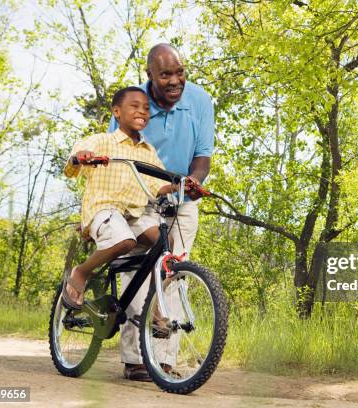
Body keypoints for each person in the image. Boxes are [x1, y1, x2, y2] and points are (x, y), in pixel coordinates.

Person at [108, 43, 214, 381]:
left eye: (179, 72)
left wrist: (193, 182)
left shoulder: (199, 100)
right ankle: (135, 360)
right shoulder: (135, 101)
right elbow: (118, 150)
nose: (174, 81)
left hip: (182, 196)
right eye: (165, 74)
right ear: (149, 76)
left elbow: (202, 154)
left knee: (173, 273)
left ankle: (163, 361)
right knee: (137, 275)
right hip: (140, 195)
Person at [62, 86, 176, 313]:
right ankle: (81, 272)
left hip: (134, 214)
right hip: (104, 209)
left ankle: (153, 308)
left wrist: (176, 185)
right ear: (117, 111)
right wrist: (81, 157)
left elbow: (155, 184)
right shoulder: (103, 141)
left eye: (145, 108)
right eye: (134, 106)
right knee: (125, 242)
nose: (142, 112)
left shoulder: (148, 151)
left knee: (166, 244)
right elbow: (75, 160)